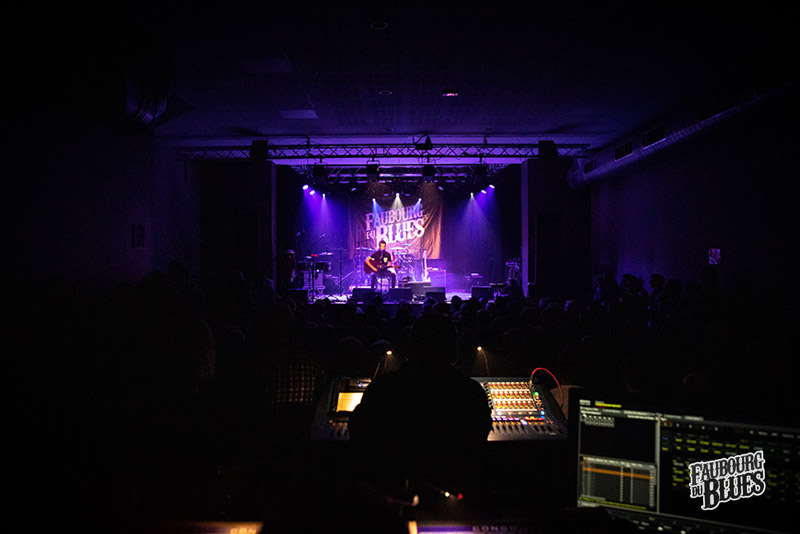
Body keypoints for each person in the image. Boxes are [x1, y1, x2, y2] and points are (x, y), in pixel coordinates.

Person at [348, 312, 493, 498]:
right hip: (453, 494)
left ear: (409, 350)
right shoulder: (471, 393)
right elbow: (477, 444)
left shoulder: (383, 388)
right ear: (454, 353)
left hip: (393, 497)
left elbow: (359, 433)